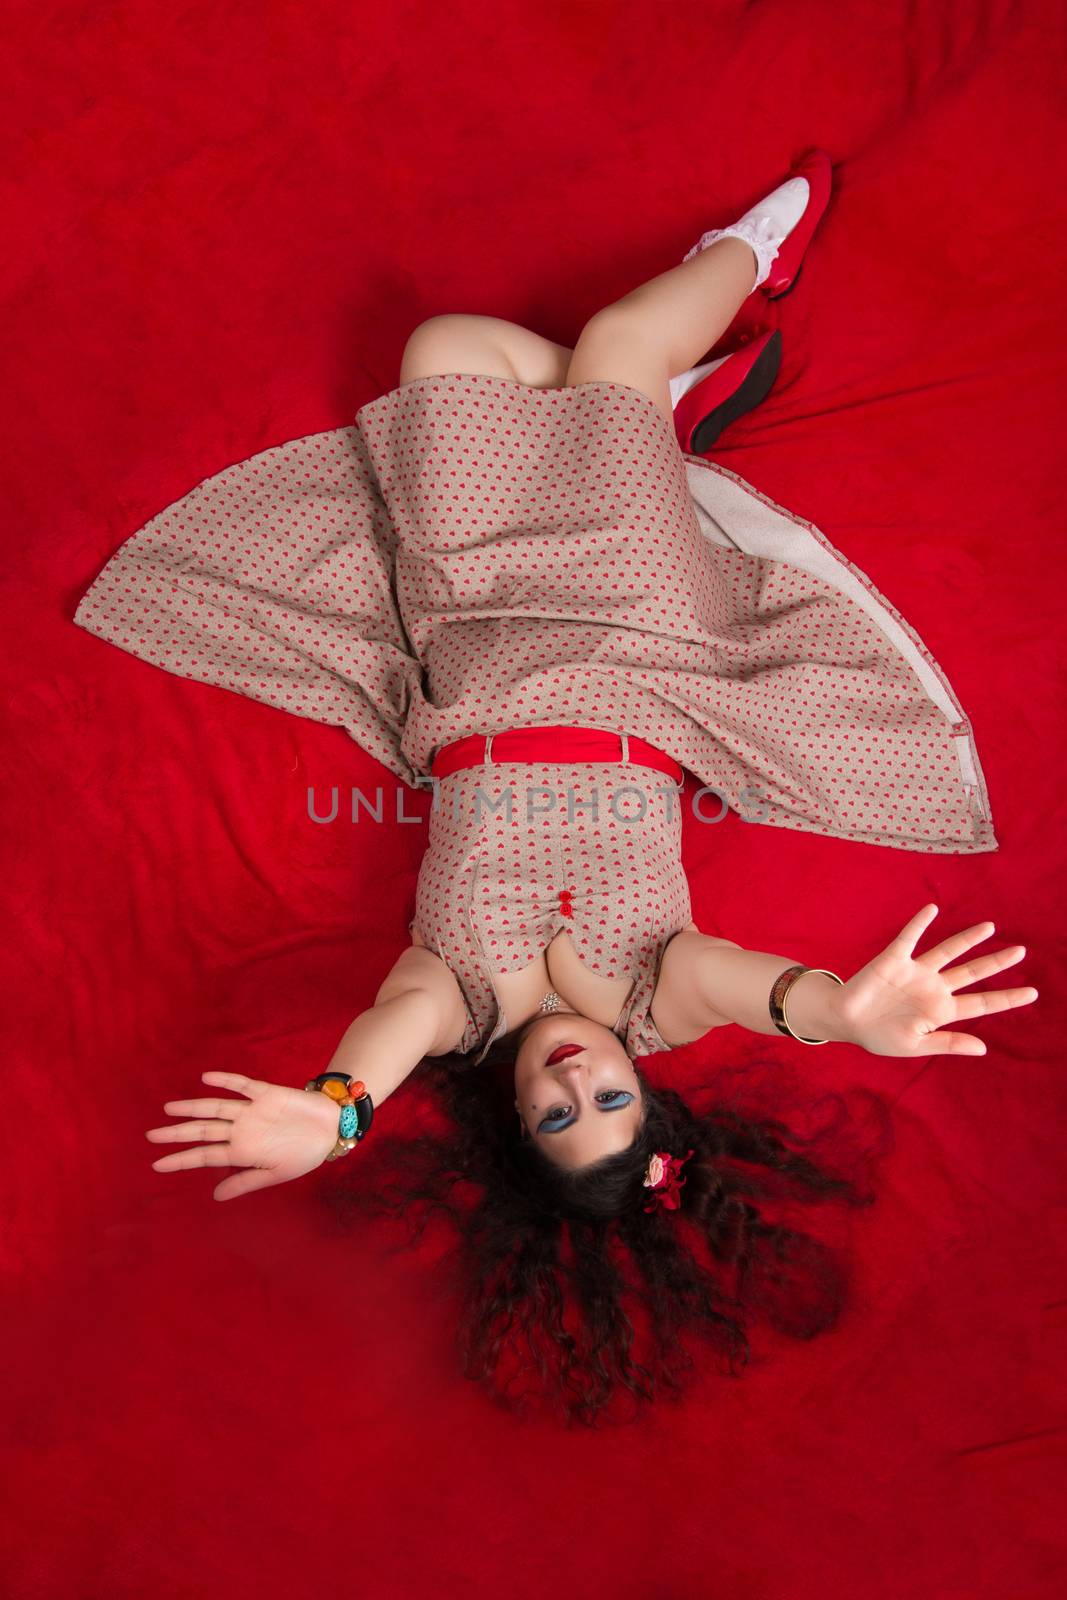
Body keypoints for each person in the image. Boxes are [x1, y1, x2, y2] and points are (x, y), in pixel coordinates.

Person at [78, 150, 1038, 1422]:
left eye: (553, 1111)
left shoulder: (456, 993)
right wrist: (843, 1016)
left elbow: (381, 1042)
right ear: (648, 1088)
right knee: (614, 346)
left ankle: (657, 428)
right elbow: (760, 987)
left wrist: (333, 1116)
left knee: (443, 354)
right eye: (608, 1101)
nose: (577, 1075)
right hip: (637, 643)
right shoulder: (649, 989)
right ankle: (750, 260)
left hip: (472, 634)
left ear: (509, 1119)